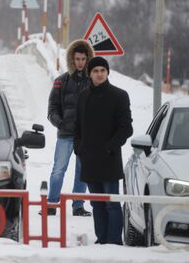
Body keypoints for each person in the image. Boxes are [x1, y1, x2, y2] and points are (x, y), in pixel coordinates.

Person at [74, 56, 133, 245]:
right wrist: (79, 149)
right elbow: (77, 127)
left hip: (109, 159)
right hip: (89, 159)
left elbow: (126, 128)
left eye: (103, 70)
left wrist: (110, 147)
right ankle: (101, 240)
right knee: (97, 204)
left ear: (107, 72)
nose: (99, 74)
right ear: (89, 74)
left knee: (112, 204)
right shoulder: (83, 96)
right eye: (95, 71)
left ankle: (114, 242)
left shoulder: (119, 95)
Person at [43, 39, 94, 216]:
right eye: (77, 59)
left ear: (88, 59)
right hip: (65, 135)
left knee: (82, 172)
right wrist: (61, 123)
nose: (80, 62)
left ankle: (78, 206)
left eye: (83, 59)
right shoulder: (61, 81)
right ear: (72, 60)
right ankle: (51, 204)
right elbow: (52, 109)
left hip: (85, 137)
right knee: (59, 169)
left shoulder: (93, 82)